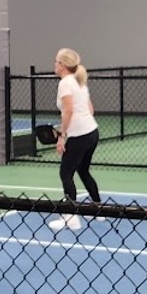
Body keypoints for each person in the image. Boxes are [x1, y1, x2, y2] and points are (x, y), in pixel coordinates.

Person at [49, 48, 101, 231]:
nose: (54, 64)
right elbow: (90, 109)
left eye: (56, 62)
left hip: (79, 136)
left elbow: (69, 110)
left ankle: (71, 218)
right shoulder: (80, 82)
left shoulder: (65, 83)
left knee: (66, 173)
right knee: (83, 170)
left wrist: (62, 136)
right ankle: (98, 210)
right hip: (92, 132)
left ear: (62, 65)